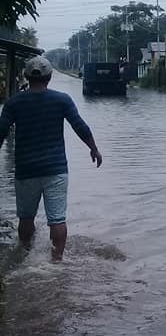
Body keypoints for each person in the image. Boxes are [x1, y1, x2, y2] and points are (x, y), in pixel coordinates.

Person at [0, 56, 103, 260]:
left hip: (26, 169)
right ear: (49, 76)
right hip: (55, 169)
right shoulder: (61, 99)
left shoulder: (14, 103)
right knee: (57, 219)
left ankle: (25, 254)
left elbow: (0, 132)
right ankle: (56, 263)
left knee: (26, 217)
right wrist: (94, 149)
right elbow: (79, 125)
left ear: (26, 76)